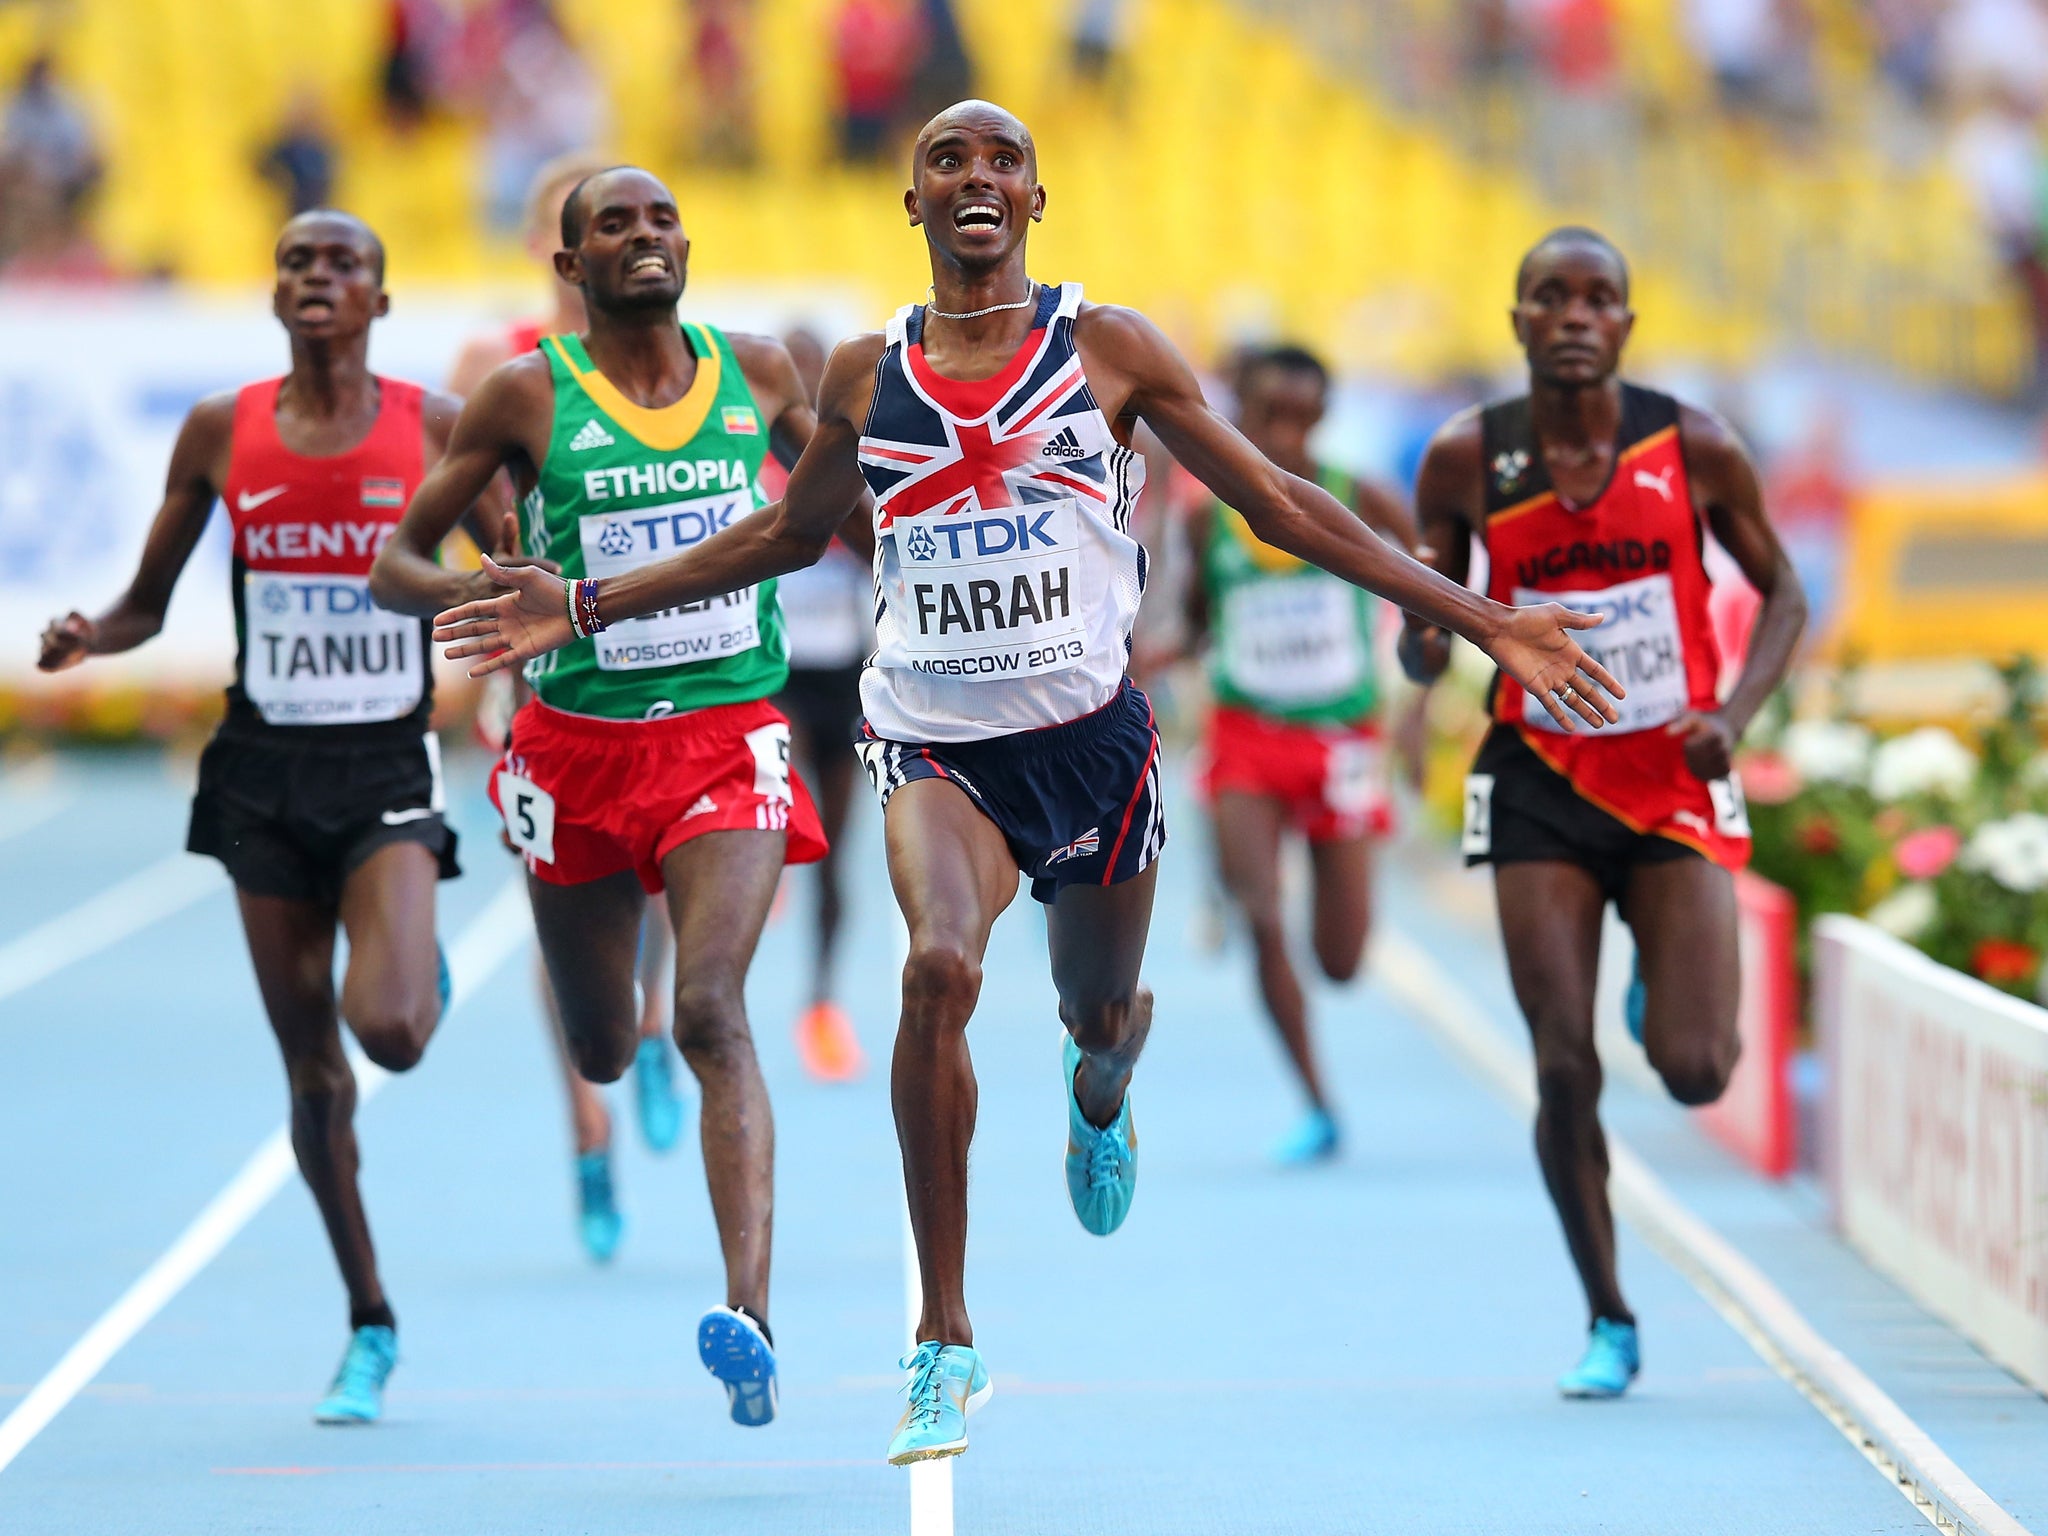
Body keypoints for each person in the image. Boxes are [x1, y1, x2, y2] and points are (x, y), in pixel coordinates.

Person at [428, 103, 1623, 1465]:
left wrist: (1479, 619)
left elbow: (1282, 505)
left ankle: (1100, 1082)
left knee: (1098, 1008)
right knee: (935, 972)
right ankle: (944, 1340)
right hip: (938, 748)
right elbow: (784, 533)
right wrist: (583, 604)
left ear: (1035, 201)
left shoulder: (1104, 348)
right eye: (948, 161)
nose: (975, 178)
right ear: (914, 202)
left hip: (1095, 744)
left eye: (1001, 161)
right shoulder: (869, 371)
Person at [372, 164, 861, 1428]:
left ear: (686, 243)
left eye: (659, 220)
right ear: (568, 266)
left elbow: (842, 507)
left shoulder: (757, 372)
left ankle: (747, 1317)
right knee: (599, 1038)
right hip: (575, 749)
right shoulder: (527, 393)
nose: (643, 238)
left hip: (726, 733)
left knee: (708, 1008)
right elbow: (395, 561)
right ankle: (615, 1066)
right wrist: (488, 605)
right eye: (612, 226)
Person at [36, 211, 494, 1425]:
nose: (317, 279)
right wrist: (93, 633)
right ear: (276, 291)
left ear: (380, 303)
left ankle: (412, 961)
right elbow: (144, 603)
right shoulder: (219, 431)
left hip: (385, 765)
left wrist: (518, 672)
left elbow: (513, 574)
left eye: (344, 264)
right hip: (260, 774)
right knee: (316, 1079)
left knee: (389, 1031)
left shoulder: (430, 428)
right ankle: (368, 1319)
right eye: (298, 262)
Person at [1398, 226, 1806, 1399]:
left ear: (1625, 324)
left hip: (1671, 773)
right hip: (1538, 780)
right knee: (1561, 1063)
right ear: (1516, 318)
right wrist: (1427, 643)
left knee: (1692, 1068)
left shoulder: (1695, 447)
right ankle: (1608, 1314)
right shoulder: (1468, 460)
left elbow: (1781, 592)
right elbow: (1425, 614)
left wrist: (1733, 710)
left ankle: (1657, 977)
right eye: (1548, 298)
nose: (1573, 316)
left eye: (1597, 300)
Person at [448, 150, 687, 1265]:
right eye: (582, 220)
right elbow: (452, 518)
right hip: (544, 687)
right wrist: (483, 620)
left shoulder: (671, 354)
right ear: (559, 243)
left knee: (682, 882)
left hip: (667, 669)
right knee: (568, 918)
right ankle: (586, 1132)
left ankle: (651, 1028)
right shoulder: (494, 366)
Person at [1179, 343, 1414, 1165]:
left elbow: (1432, 581)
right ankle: (1316, 1098)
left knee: (1341, 960)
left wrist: (1420, 703)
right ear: (1238, 414)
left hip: (1342, 740)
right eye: (1267, 415)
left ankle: (1293, 913)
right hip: (1246, 740)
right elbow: (1195, 622)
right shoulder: (1208, 514)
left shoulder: (1360, 497)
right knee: (1263, 916)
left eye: (1303, 416)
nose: (1284, 432)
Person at [766, 325, 870, 1082]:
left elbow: (888, 561)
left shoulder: (860, 462)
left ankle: (822, 1001)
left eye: (814, 371)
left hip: (849, 674)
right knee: (775, 802)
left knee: (835, 855)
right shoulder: (756, 467)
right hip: (777, 672)